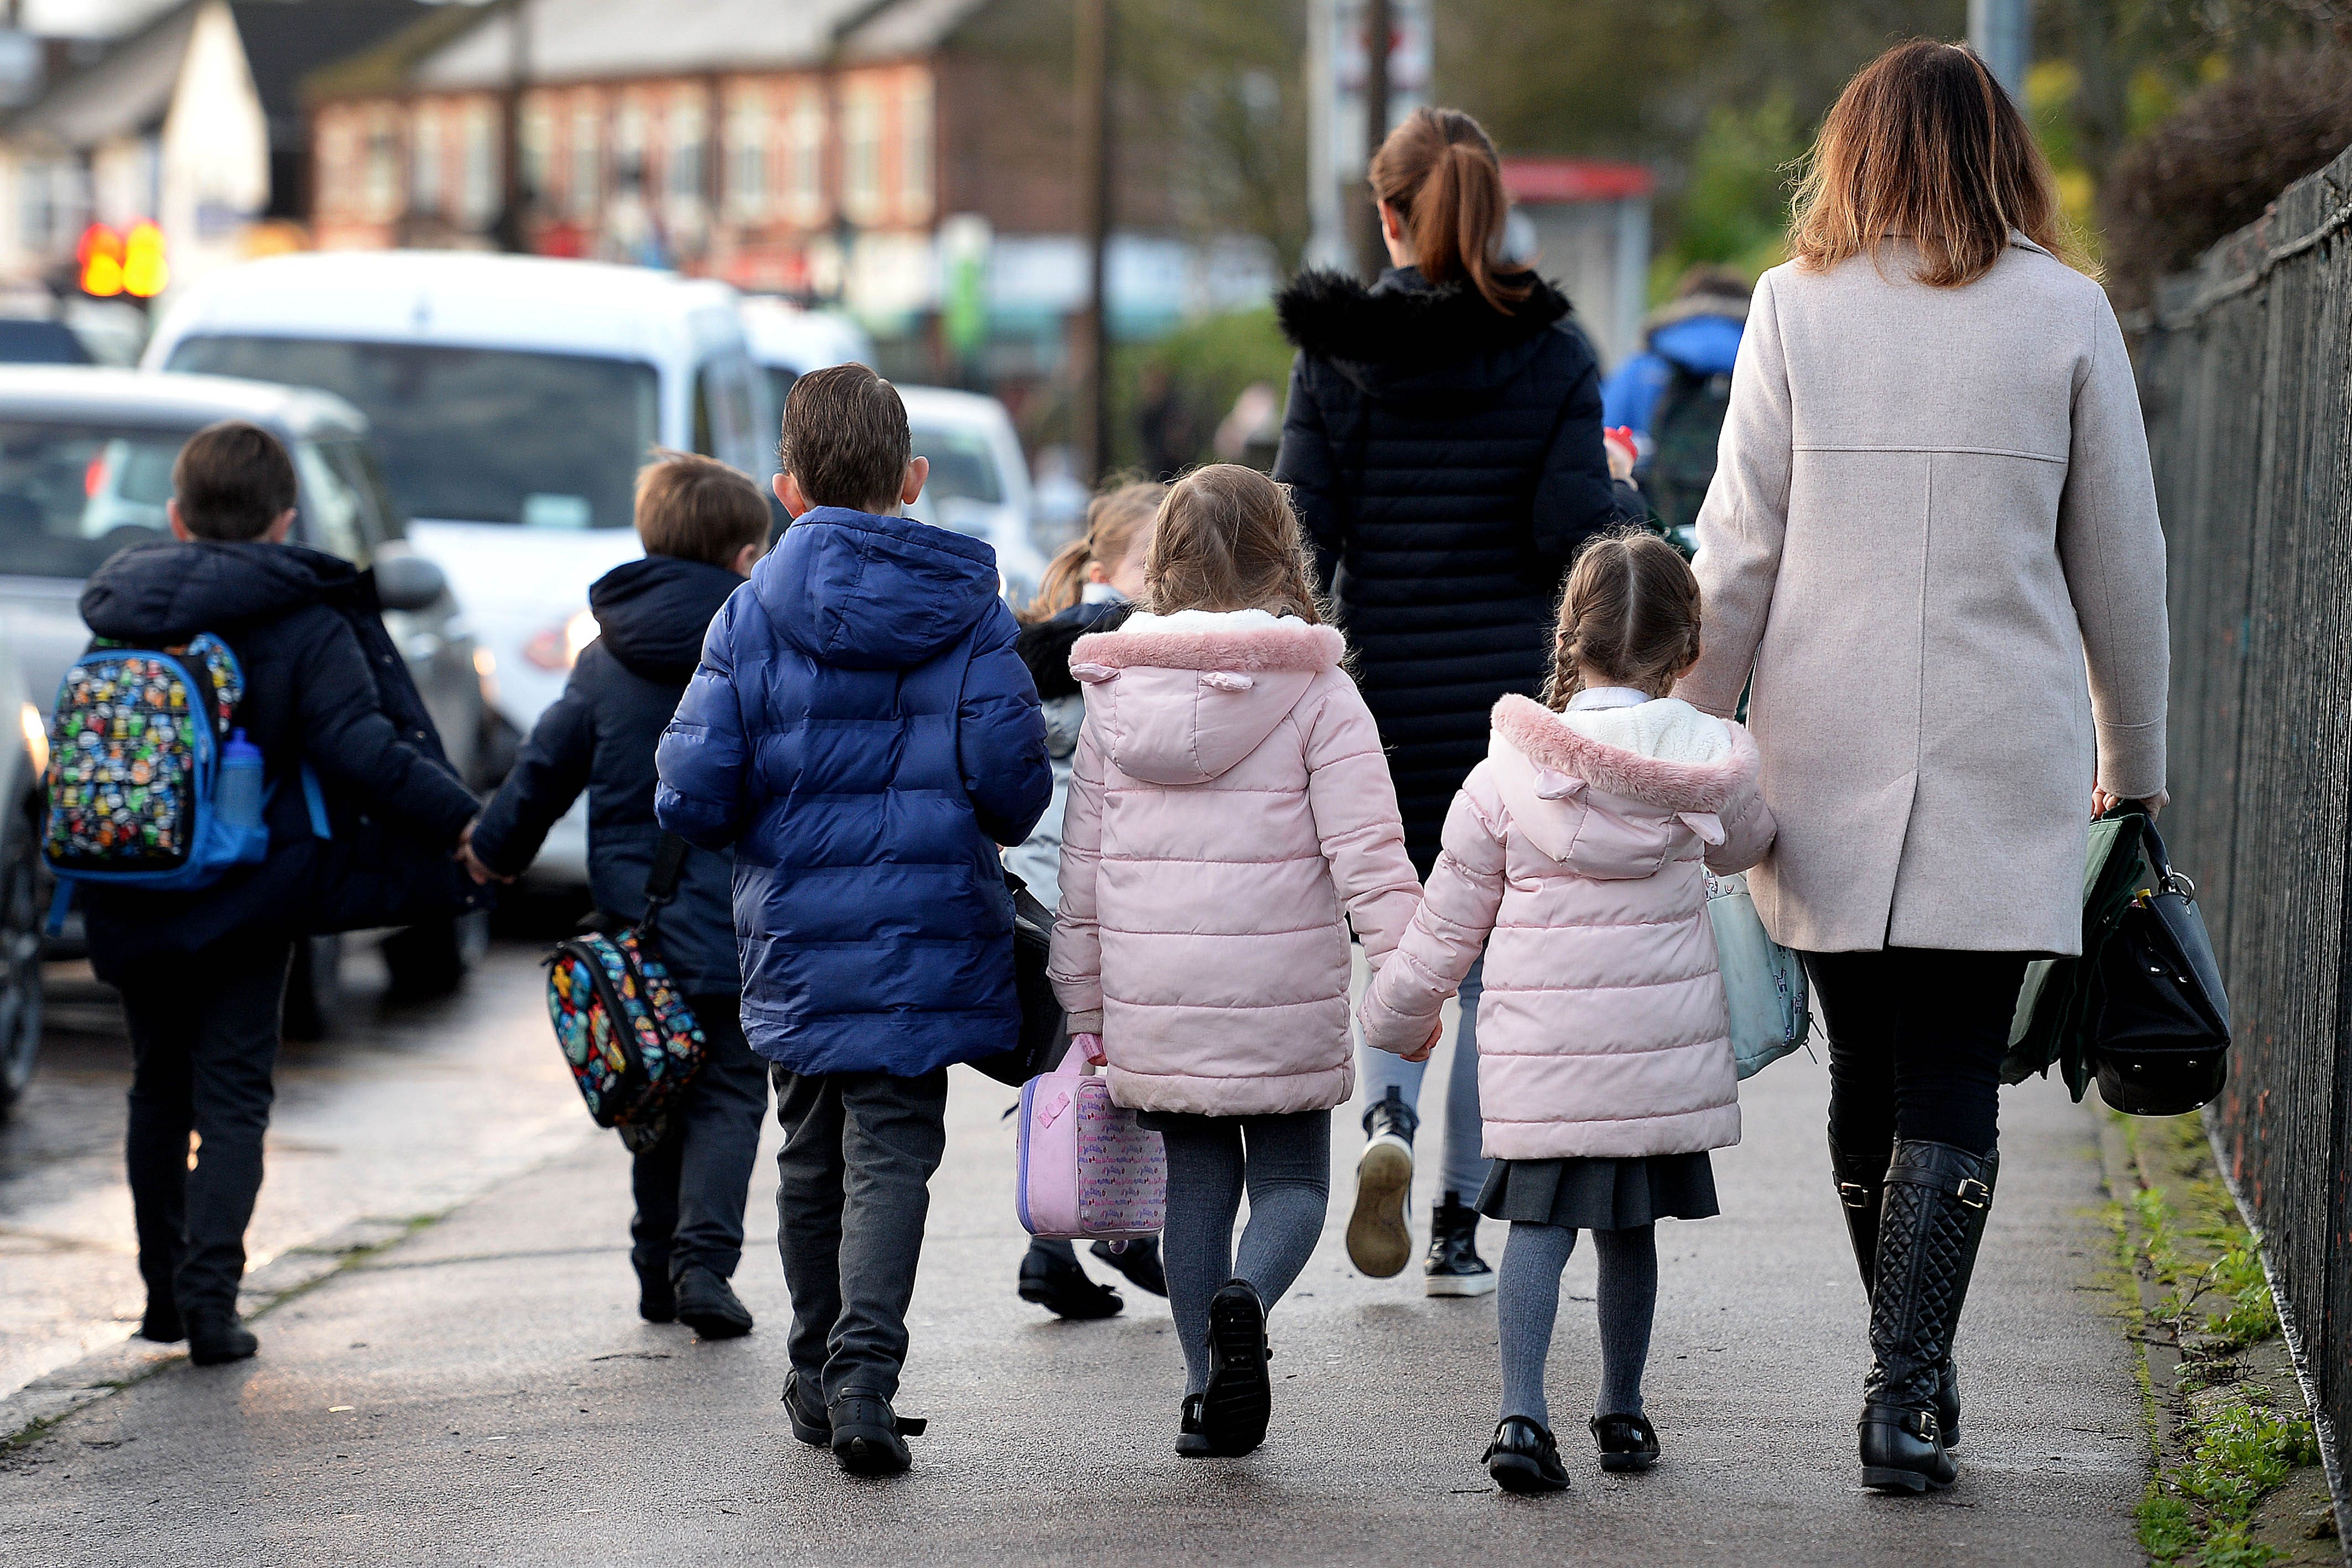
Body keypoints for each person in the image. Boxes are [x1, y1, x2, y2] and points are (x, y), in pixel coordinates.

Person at [1675, 40, 2171, 1495]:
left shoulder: (1791, 309)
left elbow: (1737, 551)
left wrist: (1696, 731)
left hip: (1817, 747)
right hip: (1996, 746)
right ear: (2003, 155)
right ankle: (1909, 1380)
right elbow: (2120, 569)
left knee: (1867, 1064)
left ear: (1852, 154)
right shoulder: (2067, 315)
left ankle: (1905, 1363)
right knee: (1953, 1061)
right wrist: (2127, 759)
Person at [1274, 106, 1646, 1298]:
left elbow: (1300, 534)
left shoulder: (1334, 353)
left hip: (1381, 705)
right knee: (1491, 970)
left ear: (1386, 214)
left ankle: (1387, 1113)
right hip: (1507, 708)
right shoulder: (1550, 353)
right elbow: (1564, 529)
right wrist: (1623, 496)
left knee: (1403, 937)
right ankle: (1455, 1221)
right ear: (1496, 214)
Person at [656, 363, 1050, 1477]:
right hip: (927, 927)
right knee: (891, 1151)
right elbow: (1014, 780)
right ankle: (863, 1376)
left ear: (786, 489)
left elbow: (689, 790)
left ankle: (807, 1363)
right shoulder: (966, 607)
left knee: (808, 1149)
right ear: (913, 477)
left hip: (793, 931)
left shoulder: (747, 614)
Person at [1359, 532, 1774, 1491]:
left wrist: (1395, 1017)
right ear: (1685, 650)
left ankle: (1520, 1415)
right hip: (1653, 1058)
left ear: (1568, 636)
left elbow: (1444, 928)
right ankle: (1622, 1411)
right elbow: (1750, 843)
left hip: (1543, 1060)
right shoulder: (1704, 770)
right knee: (1630, 1233)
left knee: (1534, 1233)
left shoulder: (1502, 775)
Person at [80, 421, 480, 1365]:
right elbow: (362, 749)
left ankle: (162, 1297)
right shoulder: (303, 618)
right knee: (230, 1097)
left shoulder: (122, 609)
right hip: (248, 889)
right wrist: (466, 820)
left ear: (176, 515)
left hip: (130, 877)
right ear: (285, 519)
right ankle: (211, 1304)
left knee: (154, 1087)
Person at [1047, 464, 1422, 1460]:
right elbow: (1371, 859)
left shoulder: (1116, 694)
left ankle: (1206, 1398)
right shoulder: (1316, 690)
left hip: (1155, 1002)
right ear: (1281, 556)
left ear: (1162, 560)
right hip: (1279, 996)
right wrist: (1408, 983)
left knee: (1194, 1192)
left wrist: (1084, 1007)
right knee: (1293, 1185)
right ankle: (1245, 1302)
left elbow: (1079, 871)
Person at [460, 452, 772, 1341]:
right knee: (727, 1091)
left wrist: (492, 850)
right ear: (746, 557)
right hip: (742, 916)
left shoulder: (603, 656)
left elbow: (544, 767)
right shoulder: (760, 644)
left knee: (656, 1086)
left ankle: (655, 1267)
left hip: (639, 925)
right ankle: (704, 1264)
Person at [1007, 479, 1169, 1322]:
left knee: (1072, 1061)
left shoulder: (1039, 648)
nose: (1163, 577)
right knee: (1107, 1057)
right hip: (1086, 889)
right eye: (1151, 561)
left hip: (1036, 883)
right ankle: (1106, 1233)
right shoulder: (1120, 646)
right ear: (1106, 568)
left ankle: (1071, 1240)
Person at [1599, 265, 1751, 542]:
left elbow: (1600, 449)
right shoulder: (1767, 361)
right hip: (1739, 532)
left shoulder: (1641, 368)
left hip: (1655, 534)